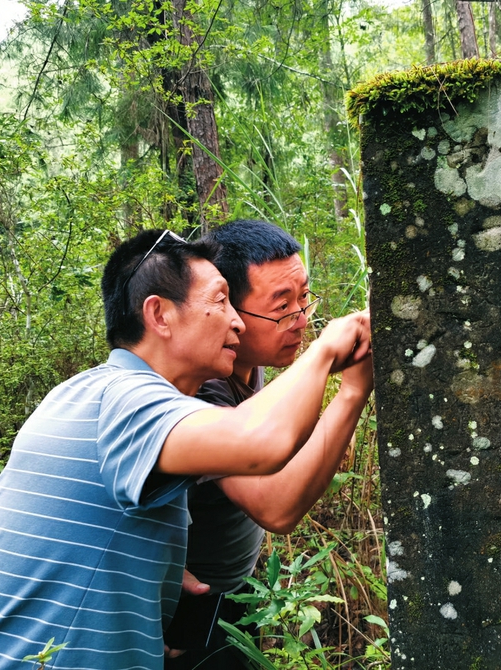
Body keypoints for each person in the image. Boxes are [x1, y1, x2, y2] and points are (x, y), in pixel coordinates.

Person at [0, 229, 371, 670]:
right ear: (160, 316)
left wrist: (158, 579)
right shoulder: (126, 400)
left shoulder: (88, 393)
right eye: (220, 302)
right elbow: (261, 444)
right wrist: (329, 355)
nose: (237, 322)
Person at [162, 220, 374, 669]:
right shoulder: (200, 388)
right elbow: (275, 505)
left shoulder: (249, 361)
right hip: (187, 610)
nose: (302, 318)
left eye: (303, 297)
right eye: (282, 306)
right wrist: (352, 392)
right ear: (228, 309)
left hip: (233, 587)